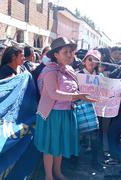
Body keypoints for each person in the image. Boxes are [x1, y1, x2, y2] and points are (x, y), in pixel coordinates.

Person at [34, 37, 96, 180]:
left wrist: (80, 96)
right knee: (50, 147)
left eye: (71, 51)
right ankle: (49, 176)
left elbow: (74, 90)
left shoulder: (69, 70)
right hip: (52, 115)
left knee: (59, 145)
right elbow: (53, 93)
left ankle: (58, 172)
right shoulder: (50, 70)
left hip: (67, 113)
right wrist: (77, 96)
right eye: (65, 52)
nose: (70, 55)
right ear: (56, 54)